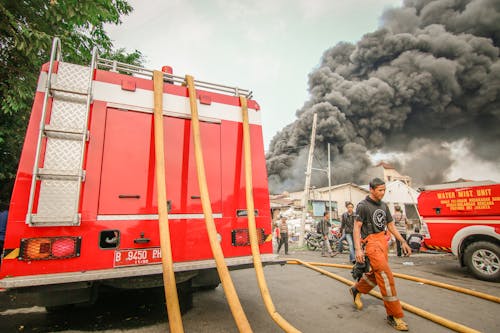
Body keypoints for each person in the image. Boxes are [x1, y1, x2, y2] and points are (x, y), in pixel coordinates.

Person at [349, 178, 411, 331]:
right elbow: (356, 228)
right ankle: (394, 315)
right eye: (380, 190)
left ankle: (357, 289)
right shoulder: (363, 206)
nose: (383, 193)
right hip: (371, 244)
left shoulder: (384, 205)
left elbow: (390, 226)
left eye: (384, 190)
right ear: (371, 189)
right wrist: (358, 249)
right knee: (386, 276)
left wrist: (402, 241)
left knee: (376, 275)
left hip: (382, 243)